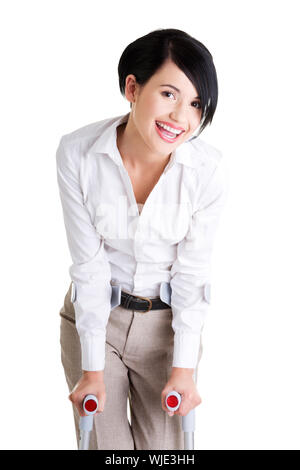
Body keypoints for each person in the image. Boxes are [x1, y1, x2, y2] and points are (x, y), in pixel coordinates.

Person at [56, 28, 229, 450]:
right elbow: (89, 267)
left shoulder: (206, 171)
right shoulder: (77, 154)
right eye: (169, 94)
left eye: (195, 104)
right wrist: (92, 369)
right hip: (96, 318)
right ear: (132, 87)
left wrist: (184, 367)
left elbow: (192, 274)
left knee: (164, 453)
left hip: (167, 326)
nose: (181, 118)